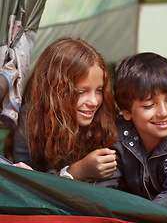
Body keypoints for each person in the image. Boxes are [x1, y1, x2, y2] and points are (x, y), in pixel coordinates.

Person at [97, 52, 167, 210]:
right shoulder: (115, 135)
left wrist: (144, 215)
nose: (164, 112)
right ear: (126, 112)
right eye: (149, 105)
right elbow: (107, 189)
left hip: (165, 215)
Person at [11, 37, 118, 182]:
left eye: (99, 90)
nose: (93, 102)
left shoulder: (104, 121)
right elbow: (30, 184)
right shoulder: (30, 121)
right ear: (55, 92)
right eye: (81, 92)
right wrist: (78, 171)